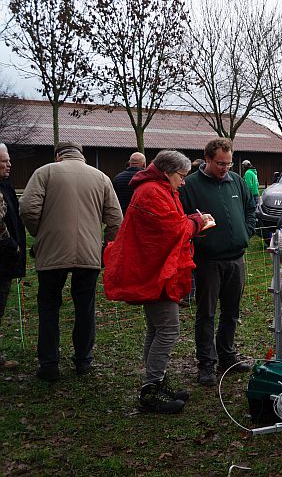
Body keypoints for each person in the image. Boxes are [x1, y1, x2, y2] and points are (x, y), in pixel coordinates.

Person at [104, 150, 215, 414]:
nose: (184, 182)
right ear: (167, 172)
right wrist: (197, 222)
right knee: (168, 329)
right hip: (154, 271)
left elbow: (173, 223)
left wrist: (191, 223)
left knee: (156, 329)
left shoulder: (159, 189)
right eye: (181, 176)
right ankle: (151, 388)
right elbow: (171, 229)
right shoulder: (152, 192)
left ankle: (156, 381)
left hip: (156, 268)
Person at [20, 142, 122, 382]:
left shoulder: (44, 172)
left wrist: (40, 234)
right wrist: (105, 246)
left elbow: (27, 208)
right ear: (81, 155)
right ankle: (83, 360)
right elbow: (116, 219)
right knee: (85, 307)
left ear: (58, 155)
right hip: (89, 253)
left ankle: (49, 364)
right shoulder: (101, 177)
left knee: (48, 306)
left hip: (52, 252)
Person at [179, 138, 256, 386]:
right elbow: (182, 219)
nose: (225, 168)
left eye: (229, 163)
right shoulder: (190, 185)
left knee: (231, 312)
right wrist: (199, 238)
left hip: (236, 258)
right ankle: (206, 363)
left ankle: (227, 356)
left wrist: (247, 231)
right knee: (206, 313)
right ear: (208, 159)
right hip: (208, 261)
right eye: (220, 163)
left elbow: (250, 208)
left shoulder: (237, 181)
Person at [0, 144, 25, 371]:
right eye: (4, 161)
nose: (9, 164)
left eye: (8, 160)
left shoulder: (5, 185)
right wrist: (11, 246)